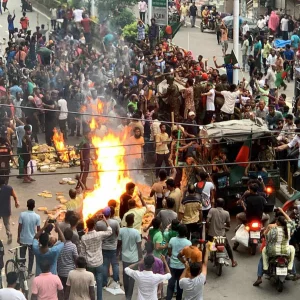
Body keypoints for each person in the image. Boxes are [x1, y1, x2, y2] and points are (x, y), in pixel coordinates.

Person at [80, 217, 112, 300]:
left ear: (87, 226)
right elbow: (109, 231)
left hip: (89, 263)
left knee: (89, 285)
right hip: (98, 262)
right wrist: (105, 221)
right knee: (99, 283)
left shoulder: (84, 238)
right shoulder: (99, 234)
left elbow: (82, 253)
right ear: (94, 225)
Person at [262, 208, 295, 273]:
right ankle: (290, 266)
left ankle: (265, 267)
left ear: (278, 223)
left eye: (277, 221)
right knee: (292, 248)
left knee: (264, 250)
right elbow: (291, 222)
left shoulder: (273, 230)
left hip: (273, 252)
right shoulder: (288, 228)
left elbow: (267, 238)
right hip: (286, 251)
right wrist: (282, 211)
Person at [117, 213, 143, 300]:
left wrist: (118, 254)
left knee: (125, 276)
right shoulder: (136, 232)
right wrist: (141, 257)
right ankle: (129, 296)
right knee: (132, 277)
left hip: (124, 257)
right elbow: (139, 247)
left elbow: (119, 244)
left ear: (126, 221)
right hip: (134, 258)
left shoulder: (121, 230)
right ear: (133, 221)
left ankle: (126, 293)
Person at [207, 198, 237, 267]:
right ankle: (233, 262)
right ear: (223, 205)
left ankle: (204, 261)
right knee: (228, 247)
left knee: (207, 245)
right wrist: (225, 228)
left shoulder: (212, 210)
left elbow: (207, 221)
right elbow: (228, 224)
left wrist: (208, 228)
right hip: (222, 236)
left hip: (212, 235)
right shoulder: (226, 213)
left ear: (216, 204)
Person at [95, 206, 120, 288]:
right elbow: (118, 233)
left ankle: (104, 282)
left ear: (103, 214)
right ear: (110, 214)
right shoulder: (115, 222)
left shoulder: (99, 224)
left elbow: (97, 234)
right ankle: (116, 281)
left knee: (105, 265)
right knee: (115, 264)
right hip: (113, 247)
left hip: (103, 247)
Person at [166, 224, 191, 300]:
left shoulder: (172, 240)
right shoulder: (188, 243)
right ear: (186, 232)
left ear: (177, 231)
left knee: (170, 285)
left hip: (172, 265)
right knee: (180, 287)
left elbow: (169, 253)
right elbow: (188, 257)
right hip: (182, 267)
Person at [18, 199, 40, 278]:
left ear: (27, 205)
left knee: (22, 256)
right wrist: (38, 240)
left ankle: (22, 272)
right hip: (32, 241)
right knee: (31, 257)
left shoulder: (22, 215)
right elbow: (38, 230)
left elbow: (19, 227)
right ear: (34, 206)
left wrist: (18, 237)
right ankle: (29, 272)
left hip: (23, 239)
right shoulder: (37, 216)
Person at [0, 179, 19, 244]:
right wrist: (16, 202)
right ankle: (9, 233)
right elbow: (15, 196)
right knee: (7, 223)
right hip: (6, 209)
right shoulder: (9, 188)